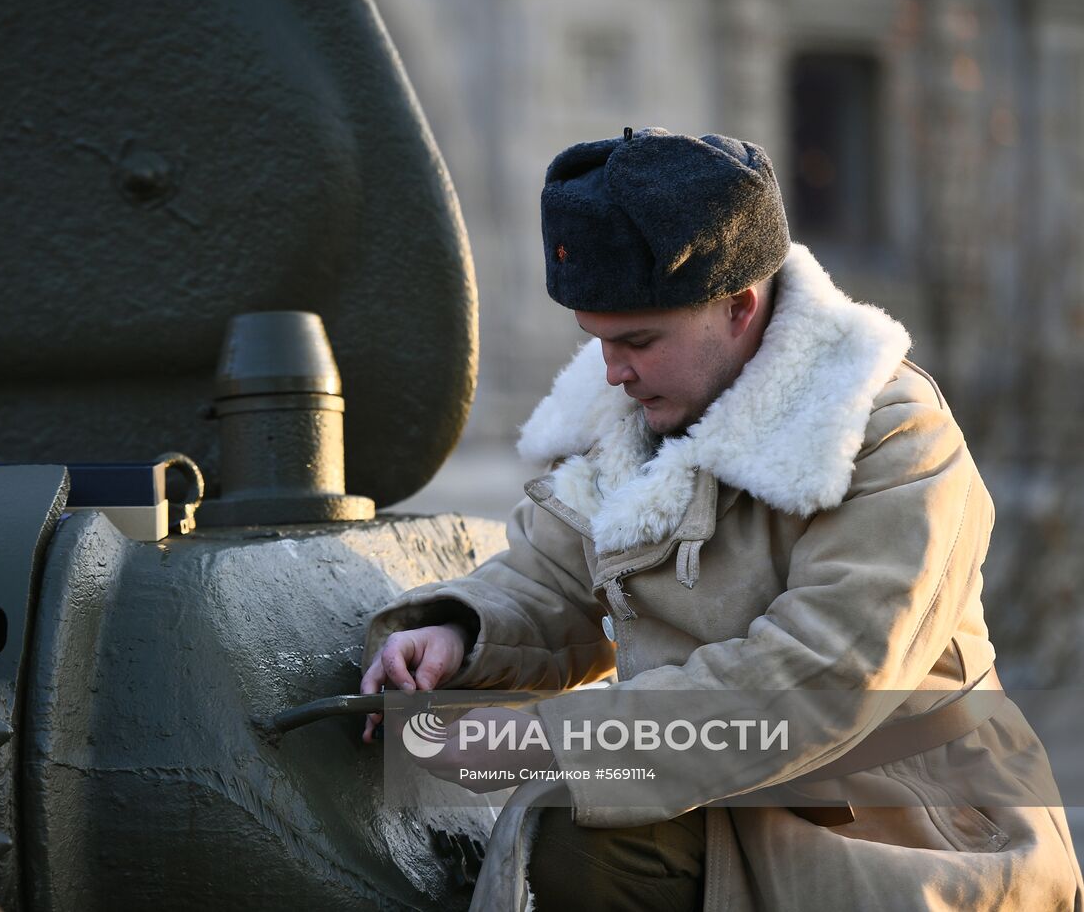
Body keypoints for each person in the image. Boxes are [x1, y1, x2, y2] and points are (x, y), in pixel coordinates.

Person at [358, 127, 1083, 911]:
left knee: (578, 830)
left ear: (739, 305)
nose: (613, 371)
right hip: (720, 799)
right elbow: (552, 574)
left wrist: (552, 741)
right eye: (597, 341)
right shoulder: (636, 414)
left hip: (914, 833)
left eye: (637, 340)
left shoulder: (892, 433)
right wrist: (459, 635)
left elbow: (821, 675)